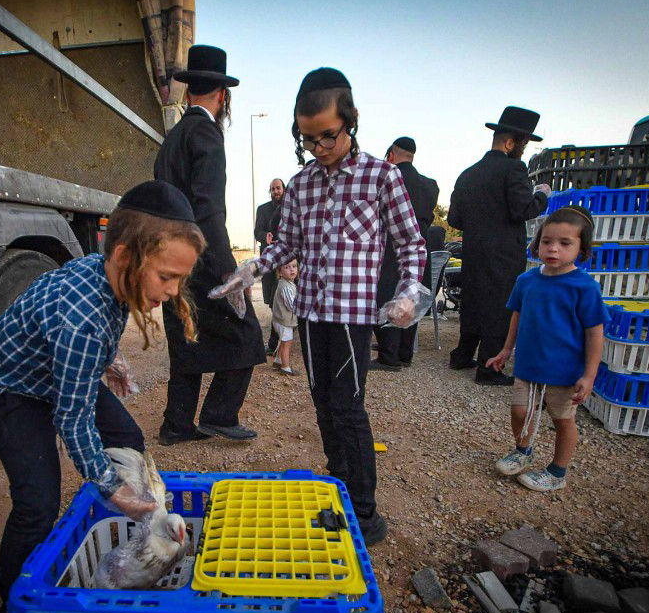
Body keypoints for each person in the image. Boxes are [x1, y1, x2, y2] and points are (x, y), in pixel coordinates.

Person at [0, 180, 205, 613]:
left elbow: (89, 333)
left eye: (181, 279)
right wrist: (112, 488)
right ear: (123, 258)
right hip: (10, 389)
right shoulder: (83, 322)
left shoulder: (108, 278)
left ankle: (139, 545)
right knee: (37, 503)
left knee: (128, 439)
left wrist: (105, 361)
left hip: (47, 373)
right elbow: (71, 418)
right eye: (166, 277)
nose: (174, 292)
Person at [214, 68, 427, 546]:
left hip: (352, 318)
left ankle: (365, 513)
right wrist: (249, 270)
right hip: (310, 314)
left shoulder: (382, 176)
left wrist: (411, 291)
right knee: (323, 406)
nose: (319, 147)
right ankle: (338, 490)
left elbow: (410, 243)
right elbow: (285, 243)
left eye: (327, 135)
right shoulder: (302, 183)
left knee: (349, 409)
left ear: (349, 122)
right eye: (308, 139)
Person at [154, 44, 266, 446]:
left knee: (186, 337)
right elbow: (209, 210)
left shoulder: (173, 138)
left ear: (189, 93)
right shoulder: (207, 134)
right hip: (200, 258)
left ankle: (176, 425)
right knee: (247, 332)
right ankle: (219, 414)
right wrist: (227, 268)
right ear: (222, 96)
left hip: (169, 259)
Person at [485, 205, 608, 492]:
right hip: (528, 366)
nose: (554, 249)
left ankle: (557, 472)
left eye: (565, 243)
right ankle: (523, 450)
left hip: (564, 372)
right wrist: (505, 351)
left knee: (562, 421)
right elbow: (517, 315)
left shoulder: (585, 287)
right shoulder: (526, 280)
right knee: (518, 411)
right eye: (547, 241)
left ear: (582, 248)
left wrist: (589, 376)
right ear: (536, 242)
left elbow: (595, 333)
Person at [447, 106, 551, 385]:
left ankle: (461, 356)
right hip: (503, 253)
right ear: (510, 143)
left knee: (473, 302)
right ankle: (488, 368)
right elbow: (522, 209)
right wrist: (542, 196)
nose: (524, 150)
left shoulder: (467, 173)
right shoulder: (514, 168)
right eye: (524, 144)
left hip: (474, 251)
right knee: (498, 306)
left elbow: (455, 218)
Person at [372, 137, 441, 370]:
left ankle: (388, 356)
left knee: (387, 294)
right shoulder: (430, 185)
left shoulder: (387, 180)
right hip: (421, 246)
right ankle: (405, 354)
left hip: (392, 247)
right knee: (411, 296)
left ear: (391, 155)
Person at [254, 178, 286, 355]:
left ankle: (275, 343)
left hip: (289, 262)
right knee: (273, 302)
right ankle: (280, 339)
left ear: (284, 189)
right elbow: (256, 231)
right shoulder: (263, 209)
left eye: (278, 188)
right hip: (269, 260)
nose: (276, 191)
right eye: (273, 189)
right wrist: (264, 235)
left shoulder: (291, 207)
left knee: (282, 300)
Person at [271, 259, 299, 376]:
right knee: (287, 341)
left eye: (294, 266)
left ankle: (278, 361)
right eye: (287, 267)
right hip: (283, 321)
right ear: (280, 272)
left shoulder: (287, 283)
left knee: (283, 340)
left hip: (280, 320)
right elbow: (291, 306)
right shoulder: (286, 287)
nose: (292, 269)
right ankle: (285, 367)